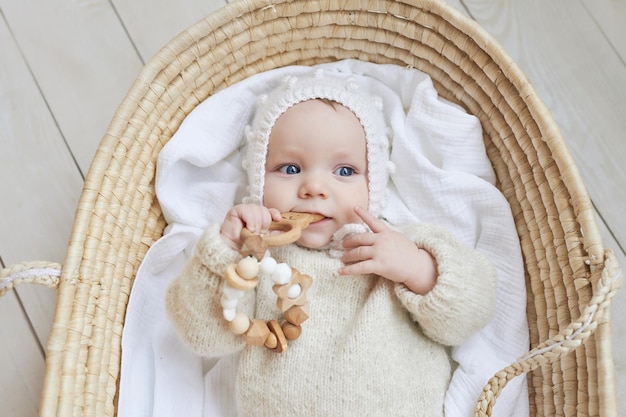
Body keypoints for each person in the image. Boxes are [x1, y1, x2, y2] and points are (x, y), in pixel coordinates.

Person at [166, 71, 497, 416]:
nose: (314, 187)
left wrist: (419, 269)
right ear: (259, 183)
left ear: (375, 185)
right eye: (291, 168)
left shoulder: (400, 247)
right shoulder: (258, 260)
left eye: (344, 171)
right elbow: (202, 336)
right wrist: (225, 254)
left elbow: (472, 315)